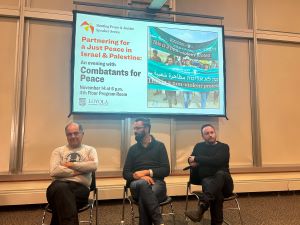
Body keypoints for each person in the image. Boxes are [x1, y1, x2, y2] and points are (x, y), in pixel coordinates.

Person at [46, 122, 98, 225]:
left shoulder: (90, 150)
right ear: (66, 136)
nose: (73, 136)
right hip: (56, 187)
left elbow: (93, 166)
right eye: (69, 134)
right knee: (61, 189)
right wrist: (81, 169)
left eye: (76, 133)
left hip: (80, 190)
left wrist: (70, 165)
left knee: (61, 200)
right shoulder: (58, 151)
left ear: (82, 134)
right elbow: (54, 171)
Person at [123, 118, 170, 225]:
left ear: (147, 128)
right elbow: (125, 173)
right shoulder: (132, 149)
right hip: (136, 184)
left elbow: (166, 170)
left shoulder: (160, 146)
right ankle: (158, 221)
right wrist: (139, 177)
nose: (135, 131)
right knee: (143, 184)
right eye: (134, 128)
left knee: (144, 199)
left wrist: (146, 172)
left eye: (138, 128)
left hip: (156, 183)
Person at [185, 124, 234, 225]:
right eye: (206, 133)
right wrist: (192, 160)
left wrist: (198, 159)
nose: (210, 135)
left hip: (226, 186)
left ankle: (202, 207)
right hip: (209, 183)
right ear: (203, 136)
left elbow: (217, 161)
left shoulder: (224, 147)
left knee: (220, 174)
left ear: (215, 133)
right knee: (216, 195)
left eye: (212, 132)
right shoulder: (199, 146)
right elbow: (190, 159)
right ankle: (204, 205)